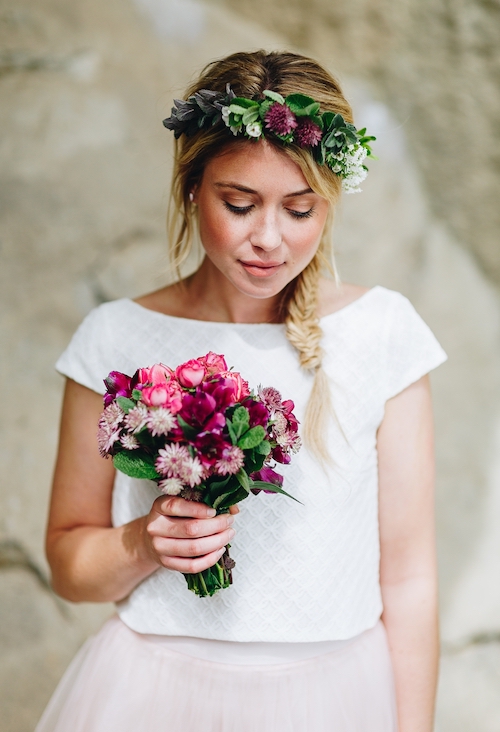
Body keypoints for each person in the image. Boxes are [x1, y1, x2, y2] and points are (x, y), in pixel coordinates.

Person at [36, 50, 446, 732]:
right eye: (239, 203)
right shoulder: (115, 338)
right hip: (151, 696)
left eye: (299, 209)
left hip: (332, 699)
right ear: (193, 187)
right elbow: (69, 563)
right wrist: (142, 544)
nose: (268, 239)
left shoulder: (382, 333)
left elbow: (408, 581)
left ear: (331, 201)